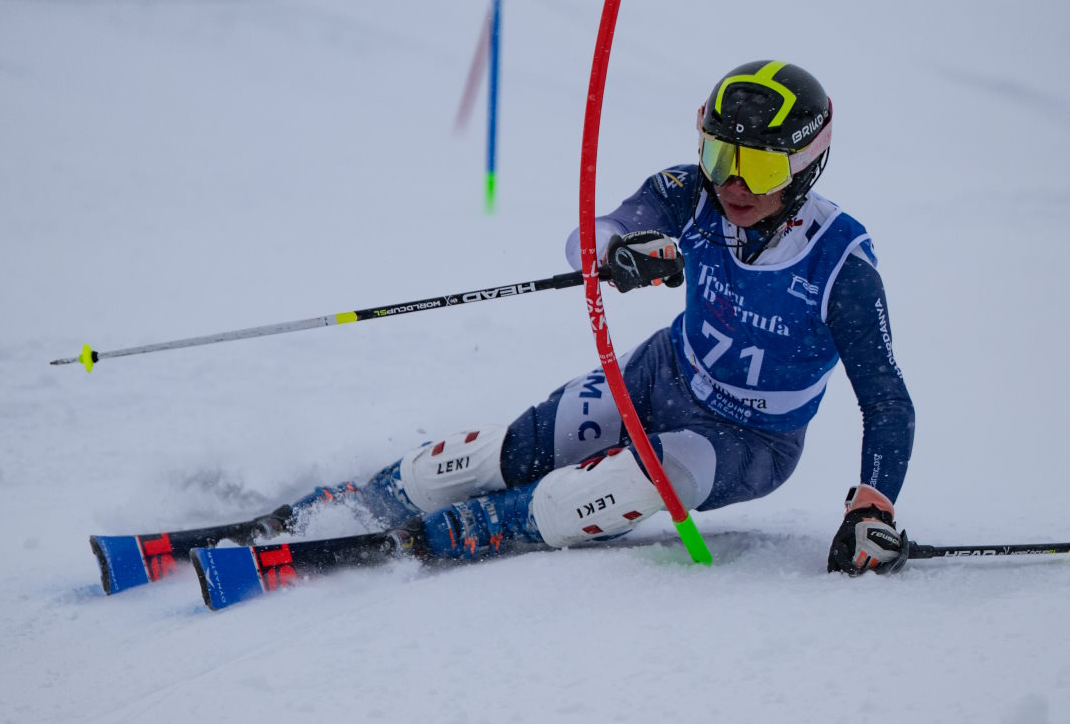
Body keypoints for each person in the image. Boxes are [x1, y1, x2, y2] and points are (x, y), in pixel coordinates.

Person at [259, 60, 916, 575]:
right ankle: (352, 503)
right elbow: (592, 236)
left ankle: (449, 534)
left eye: (760, 165)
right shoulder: (690, 193)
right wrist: (619, 251)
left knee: (636, 477)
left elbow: (887, 401)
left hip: (750, 442)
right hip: (662, 374)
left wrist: (872, 505)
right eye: (720, 155)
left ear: (804, 165)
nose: (732, 184)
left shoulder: (840, 264)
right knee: (522, 446)